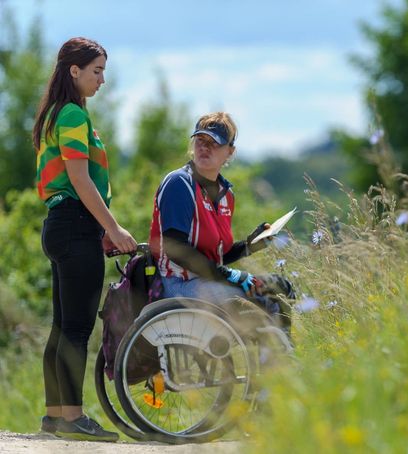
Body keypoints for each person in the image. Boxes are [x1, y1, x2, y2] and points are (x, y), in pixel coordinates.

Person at [34, 37, 136, 442]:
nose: (102, 80)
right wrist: (113, 228)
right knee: (75, 329)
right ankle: (74, 418)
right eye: (97, 71)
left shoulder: (53, 115)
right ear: (74, 71)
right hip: (76, 225)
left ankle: (56, 415)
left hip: (58, 225)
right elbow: (79, 179)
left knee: (62, 328)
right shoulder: (73, 115)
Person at [148, 112, 294, 325]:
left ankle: (278, 354)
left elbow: (215, 257)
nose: (205, 148)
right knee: (267, 295)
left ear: (230, 152)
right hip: (179, 285)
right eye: (200, 141)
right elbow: (175, 249)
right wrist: (233, 276)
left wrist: (248, 246)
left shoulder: (226, 196)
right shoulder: (179, 183)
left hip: (207, 281)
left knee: (281, 287)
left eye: (214, 143)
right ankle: (279, 355)